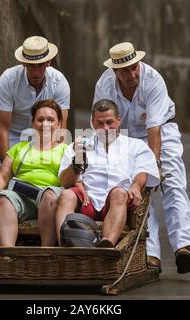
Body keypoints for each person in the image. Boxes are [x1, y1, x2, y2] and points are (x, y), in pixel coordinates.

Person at [94, 42, 190, 273]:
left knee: (173, 183)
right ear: (115, 71)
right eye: (125, 71)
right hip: (126, 137)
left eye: (134, 67)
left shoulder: (153, 80)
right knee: (136, 191)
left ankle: (183, 245)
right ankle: (151, 254)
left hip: (162, 131)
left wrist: (155, 166)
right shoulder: (104, 84)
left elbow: (154, 130)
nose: (131, 75)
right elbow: (102, 124)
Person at [55, 100, 160, 248]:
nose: (105, 128)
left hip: (118, 202)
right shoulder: (80, 145)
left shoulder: (135, 146)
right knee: (66, 195)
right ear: (92, 123)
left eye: (109, 122)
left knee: (119, 193)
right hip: (86, 203)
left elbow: (142, 171)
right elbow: (65, 183)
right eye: (100, 123)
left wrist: (136, 186)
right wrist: (77, 161)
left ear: (118, 120)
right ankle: (63, 246)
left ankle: (107, 245)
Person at [0, 100, 67, 247]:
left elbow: (70, 180)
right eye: (40, 119)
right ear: (33, 123)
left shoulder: (66, 150)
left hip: (51, 197)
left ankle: (46, 253)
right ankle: (8, 256)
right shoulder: (20, 148)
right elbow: (3, 175)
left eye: (50, 120)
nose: (45, 124)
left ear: (59, 124)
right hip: (23, 197)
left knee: (49, 196)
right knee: (4, 200)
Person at [0, 36, 70, 174]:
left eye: (41, 64)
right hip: (13, 135)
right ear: (23, 63)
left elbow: (61, 127)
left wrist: (57, 160)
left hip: (46, 137)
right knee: (8, 183)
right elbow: (2, 128)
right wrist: (7, 170)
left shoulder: (59, 81)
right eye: (32, 65)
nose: (36, 71)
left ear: (49, 62)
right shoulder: (8, 80)